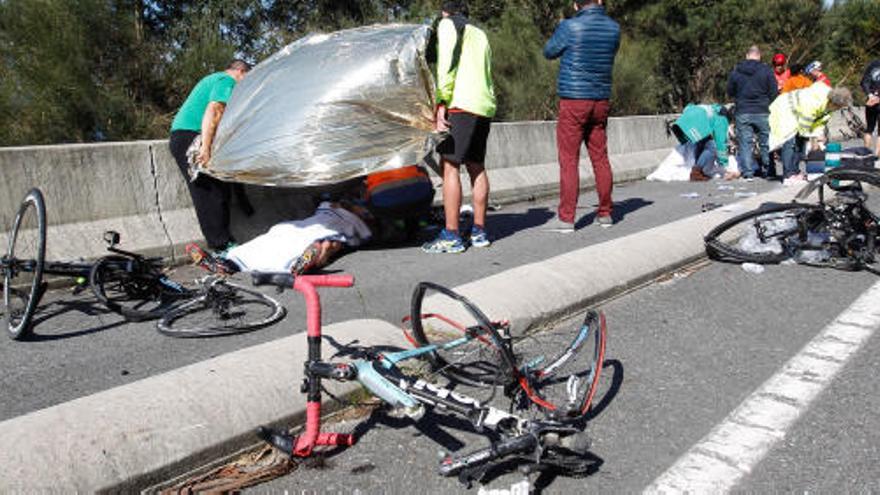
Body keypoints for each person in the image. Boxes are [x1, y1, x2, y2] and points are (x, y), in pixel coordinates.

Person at [422, 1, 496, 254]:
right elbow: (486, 70)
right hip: (483, 105)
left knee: (450, 165)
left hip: (460, 104)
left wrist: (441, 101)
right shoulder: (480, 32)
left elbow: (446, 67)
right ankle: (479, 231)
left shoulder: (446, 25)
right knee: (476, 166)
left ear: (445, 11)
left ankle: (451, 235)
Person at [542, 0, 620, 232]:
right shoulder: (614, 28)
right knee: (600, 157)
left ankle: (566, 218)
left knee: (569, 160)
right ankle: (605, 213)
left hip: (574, 100)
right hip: (601, 100)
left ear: (576, 5)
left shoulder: (569, 27)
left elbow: (548, 52)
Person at [169, 60, 251, 253]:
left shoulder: (212, 78)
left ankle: (225, 240)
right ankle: (220, 244)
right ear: (240, 71)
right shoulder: (226, 80)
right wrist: (205, 148)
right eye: (247, 78)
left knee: (220, 187)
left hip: (185, 136)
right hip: (191, 137)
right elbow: (214, 110)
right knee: (208, 191)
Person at [188, 200, 373, 275]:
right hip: (303, 226)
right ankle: (227, 264)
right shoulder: (334, 205)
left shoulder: (358, 220)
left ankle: (303, 263)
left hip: (322, 230)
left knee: (326, 244)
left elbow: (364, 235)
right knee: (273, 239)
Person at [769, 85, 852, 181]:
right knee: (790, 141)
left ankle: (795, 171)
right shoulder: (814, 102)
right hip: (785, 110)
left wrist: (819, 135)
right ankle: (788, 175)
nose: (838, 109)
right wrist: (814, 139)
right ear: (834, 103)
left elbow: (819, 121)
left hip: (797, 113)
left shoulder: (829, 105)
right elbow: (805, 125)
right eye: (839, 107)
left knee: (800, 143)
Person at [726, 45, 777, 180]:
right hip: (762, 111)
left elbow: (730, 91)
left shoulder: (736, 71)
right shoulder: (766, 71)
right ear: (759, 56)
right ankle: (768, 170)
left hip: (743, 111)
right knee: (765, 142)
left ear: (747, 56)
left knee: (745, 143)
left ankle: (748, 173)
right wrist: (766, 103)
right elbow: (773, 92)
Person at [670, 104, 731, 181]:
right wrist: (723, 163)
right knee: (712, 148)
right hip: (693, 126)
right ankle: (696, 172)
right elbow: (720, 142)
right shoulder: (721, 118)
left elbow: (688, 107)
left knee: (702, 144)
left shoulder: (710, 109)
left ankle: (699, 171)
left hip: (680, 124)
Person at [861, 59, 880, 157]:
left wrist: (870, 95)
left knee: (869, 129)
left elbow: (864, 82)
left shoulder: (872, 64)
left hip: (871, 101)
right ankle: (876, 156)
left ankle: (866, 154)